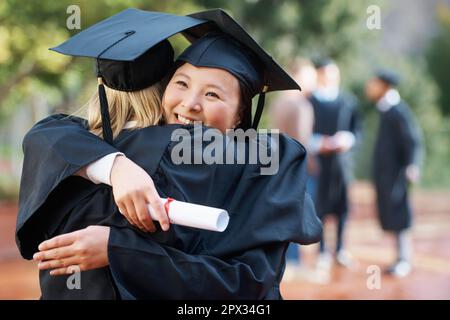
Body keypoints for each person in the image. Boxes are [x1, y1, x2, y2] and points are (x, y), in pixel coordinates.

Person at [16, 9, 322, 299]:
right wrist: (117, 168)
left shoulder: (262, 168)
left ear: (241, 115)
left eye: (212, 94)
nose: (190, 104)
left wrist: (118, 250)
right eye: (182, 84)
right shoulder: (126, 144)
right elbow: (51, 132)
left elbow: (246, 288)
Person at [365, 69, 423, 277]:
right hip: (386, 174)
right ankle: (400, 257)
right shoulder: (385, 109)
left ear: (384, 86)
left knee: (400, 214)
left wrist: (412, 165)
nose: (369, 87)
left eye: (374, 83)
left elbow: (413, 140)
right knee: (392, 213)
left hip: (397, 174)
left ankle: (404, 259)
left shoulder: (398, 110)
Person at [309, 58, 361, 269]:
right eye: (326, 74)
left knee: (342, 208)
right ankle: (321, 251)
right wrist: (318, 143)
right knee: (319, 208)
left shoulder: (348, 101)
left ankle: (339, 249)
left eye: (333, 74)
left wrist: (347, 139)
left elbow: (358, 130)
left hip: (342, 165)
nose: (330, 78)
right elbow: (303, 131)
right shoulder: (309, 102)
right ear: (319, 75)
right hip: (318, 163)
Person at [270, 58, 318, 280]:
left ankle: (287, 263)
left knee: (283, 215)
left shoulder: (279, 101)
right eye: (310, 77)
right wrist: (314, 167)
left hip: (279, 165)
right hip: (298, 167)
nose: (314, 82)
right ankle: (296, 264)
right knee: (300, 217)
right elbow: (303, 142)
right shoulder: (301, 105)